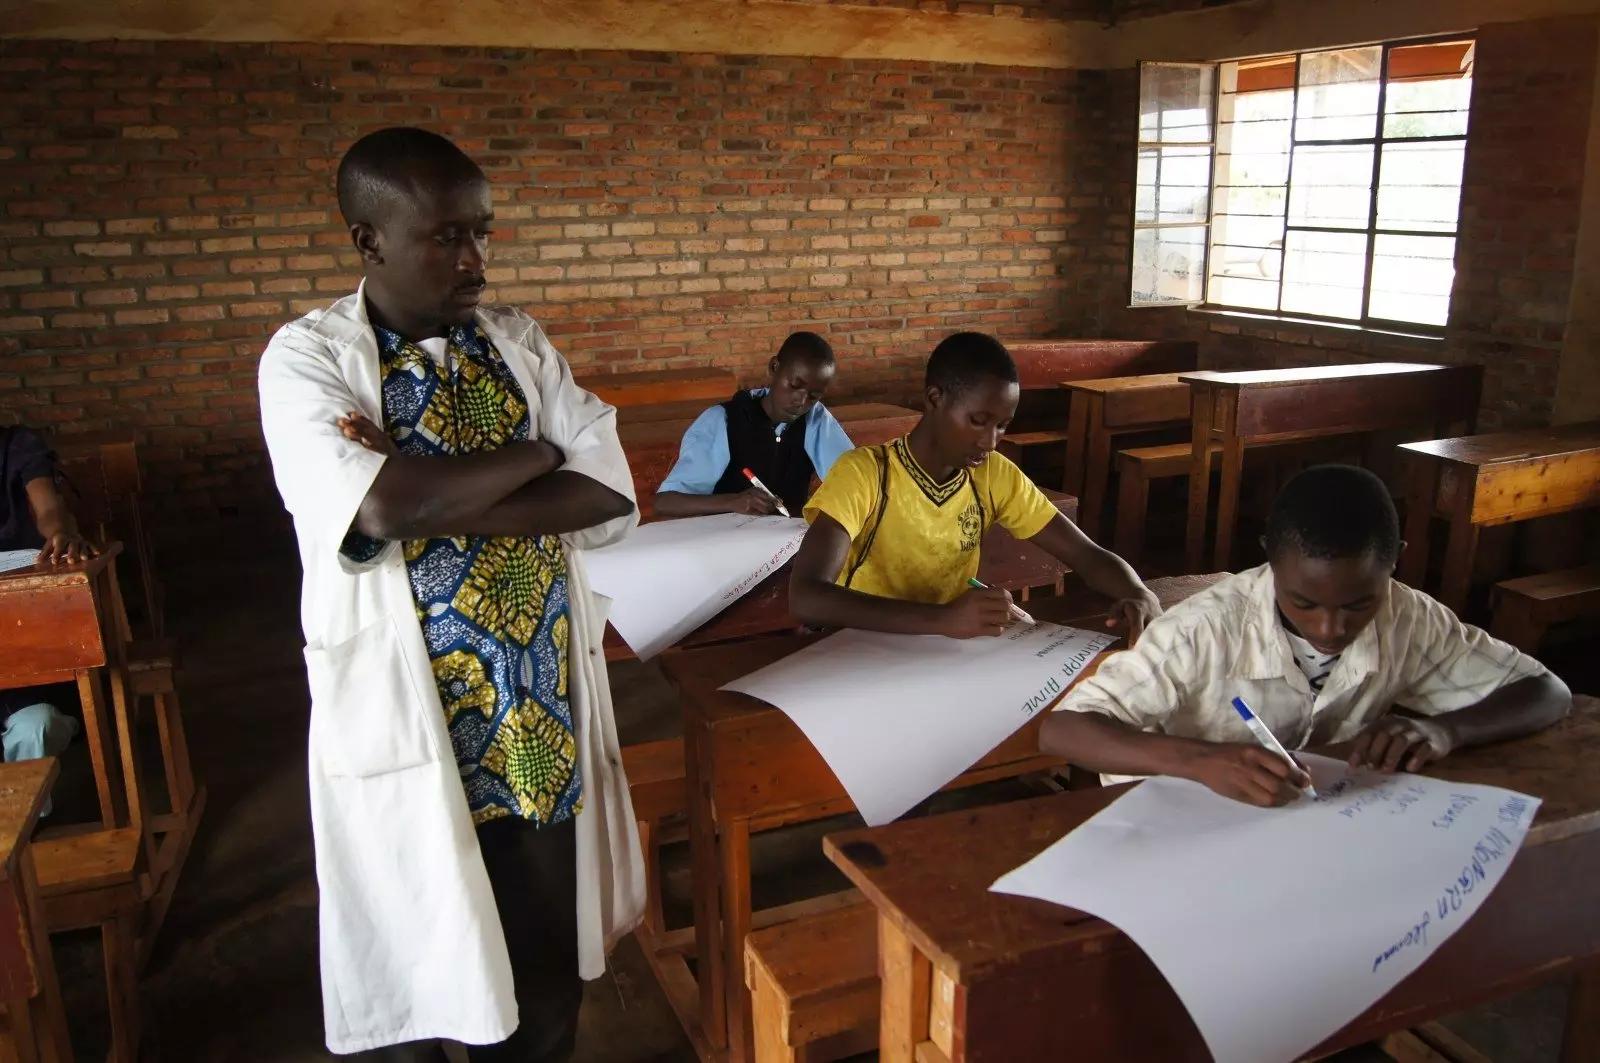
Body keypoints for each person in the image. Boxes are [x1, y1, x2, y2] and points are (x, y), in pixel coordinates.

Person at [257, 127, 645, 1060]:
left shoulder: (516, 341)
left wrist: (460, 487)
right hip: (412, 717)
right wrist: (538, 453)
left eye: (483, 232)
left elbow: (607, 488)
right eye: (447, 237)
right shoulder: (306, 360)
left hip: (536, 719)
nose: (475, 260)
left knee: (546, 967)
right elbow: (384, 505)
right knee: (424, 968)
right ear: (369, 241)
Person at [1040, 464, 1572, 807]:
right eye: (1304, 603)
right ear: (1271, 560)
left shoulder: (1409, 615)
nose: (1330, 629)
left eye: (1359, 604)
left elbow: (1546, 691)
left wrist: (1444, 732)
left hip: (1317, 825)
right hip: (1184, 828)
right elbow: (1063, 731)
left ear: (1394, 564)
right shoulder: (1202, 630)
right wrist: (1198, 760)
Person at [789, 331, 1160, 640]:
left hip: (949, 649)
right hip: (857, 649)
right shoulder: (865, 474)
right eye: (979, 421)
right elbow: (807, 597)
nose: (991, 441)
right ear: (935, 399)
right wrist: (944, 619)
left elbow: (1085, 554)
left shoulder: (993, 475)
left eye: (1002, 425)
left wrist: (1137, 592)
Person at [654, 330, 852, 518]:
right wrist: (732, 502)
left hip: (786, 543)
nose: (800, 401)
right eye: (794, 386)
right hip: (725, 542)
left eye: (813, 396)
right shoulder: (723, 420)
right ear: (774, 367)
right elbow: (665, 502)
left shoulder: (815, 419)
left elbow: (854, 479)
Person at [0, 425, 89, 786]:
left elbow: (48, 508)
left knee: (38, 725)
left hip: (30, 618)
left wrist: (58, 533)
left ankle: (25, 823)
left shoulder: (17, 445)